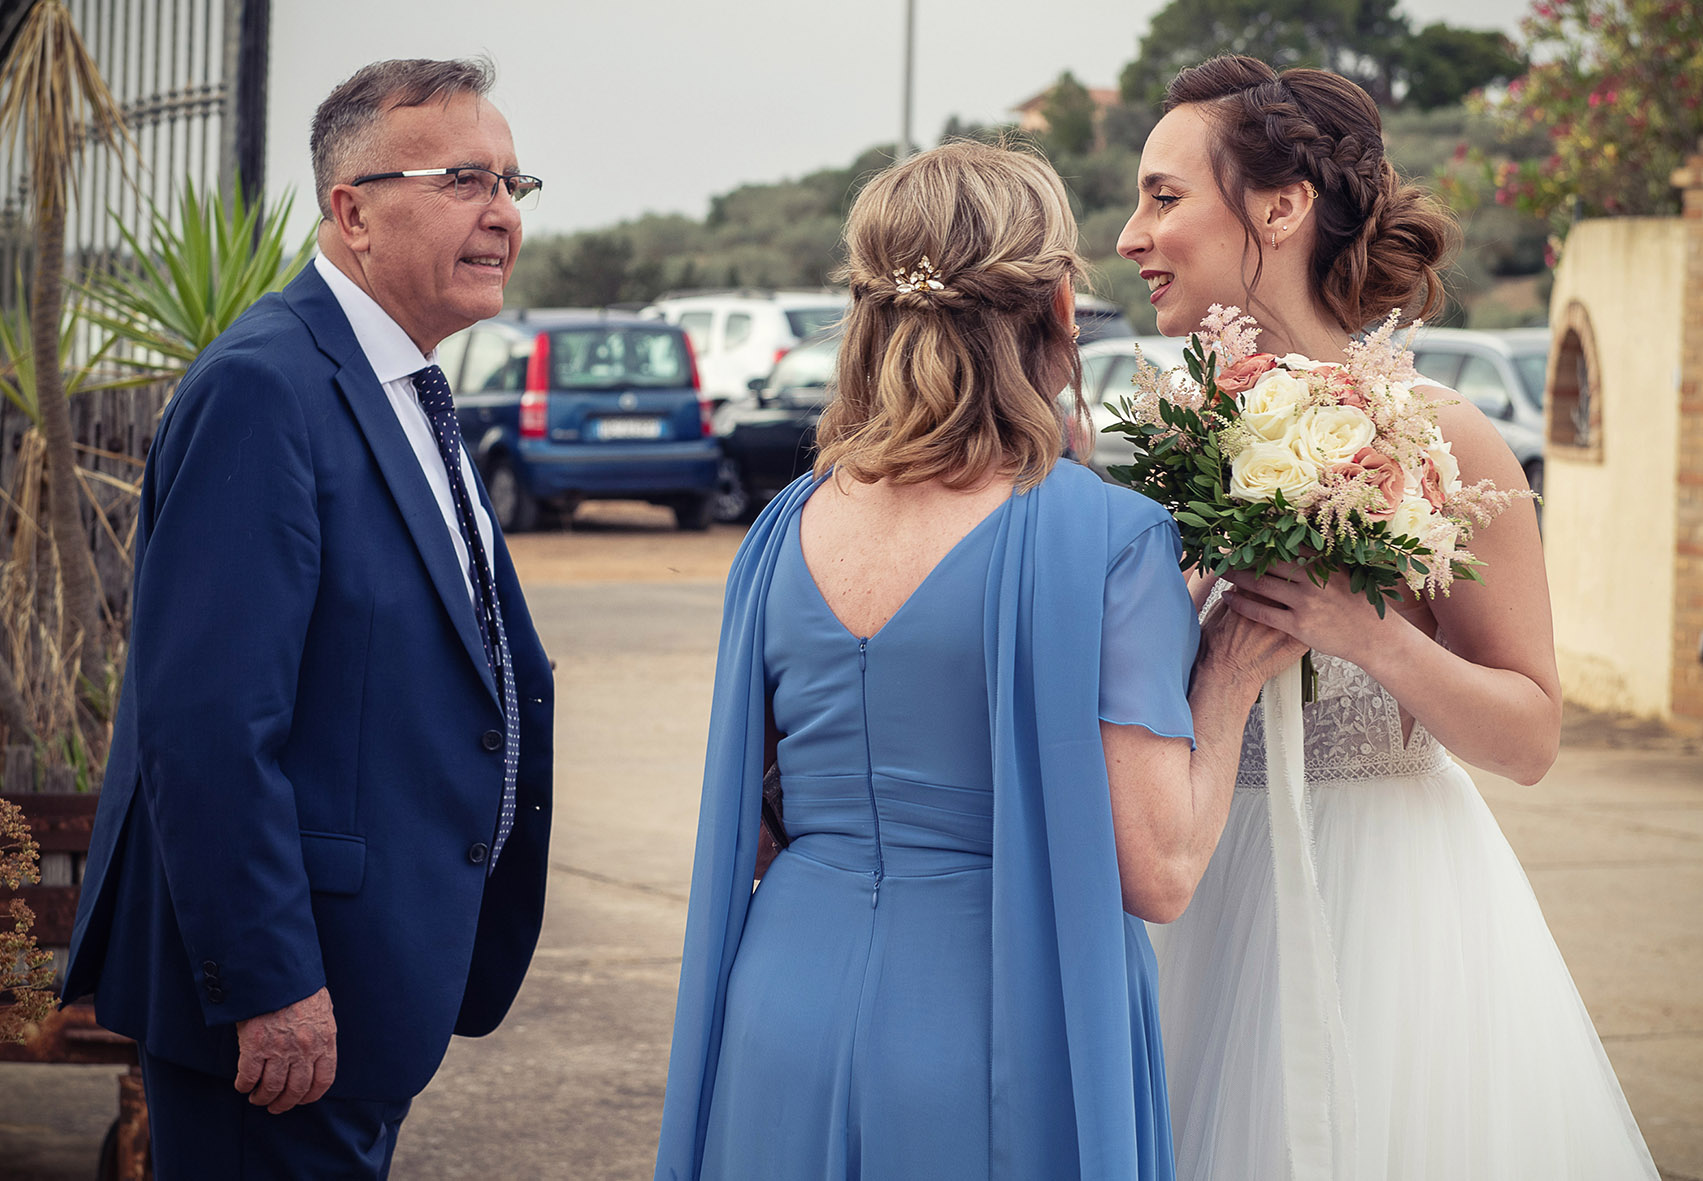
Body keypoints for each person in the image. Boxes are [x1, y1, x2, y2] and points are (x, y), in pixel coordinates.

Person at [653, 140, 1302, 1181]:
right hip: (998, 1020)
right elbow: (1158, 870)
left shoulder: (780, 530)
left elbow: (764, 813)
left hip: (781, 1007)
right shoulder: (1110, 537)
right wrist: (1225, 667)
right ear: (1054, 308)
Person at [1117, 54, 1659, 1180]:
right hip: (1194, 889)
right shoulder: (1174, 438)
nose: (1129, 235)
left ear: (1280, 205)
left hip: (1395, 923)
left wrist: (1368, 634)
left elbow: (1530, 736)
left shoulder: (1443, 435)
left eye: (1163, 196)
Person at [63, 58, 553, 1178]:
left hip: (374, 986)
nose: (500, 215)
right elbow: (207, 726)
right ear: (353, 209)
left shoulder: (410, 389)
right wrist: (272, 978)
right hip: (286, 1012)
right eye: (466, 180)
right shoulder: (264, 387)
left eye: (514, 185)